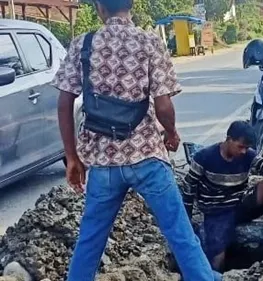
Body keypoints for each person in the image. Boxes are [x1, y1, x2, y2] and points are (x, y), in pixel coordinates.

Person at [52, 0, 215, 280]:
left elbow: (64, 103)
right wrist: (172, 133)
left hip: (103, 162)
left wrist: (72, 157)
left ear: (99, 8)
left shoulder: (84, 44)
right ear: (131, 6)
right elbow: (163, 106)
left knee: (89, 242)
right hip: (147, 158)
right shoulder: (149, 42)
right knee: (180, 235)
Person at [182, 121, 263, 272]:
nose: (244, 151)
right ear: (228, 139)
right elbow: (188, 187)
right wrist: (186, 220)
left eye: (247, 148)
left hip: (240, 204)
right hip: (216, 212)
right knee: (217, 256)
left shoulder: (247, 156)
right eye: (240, 146)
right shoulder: (204, 157)